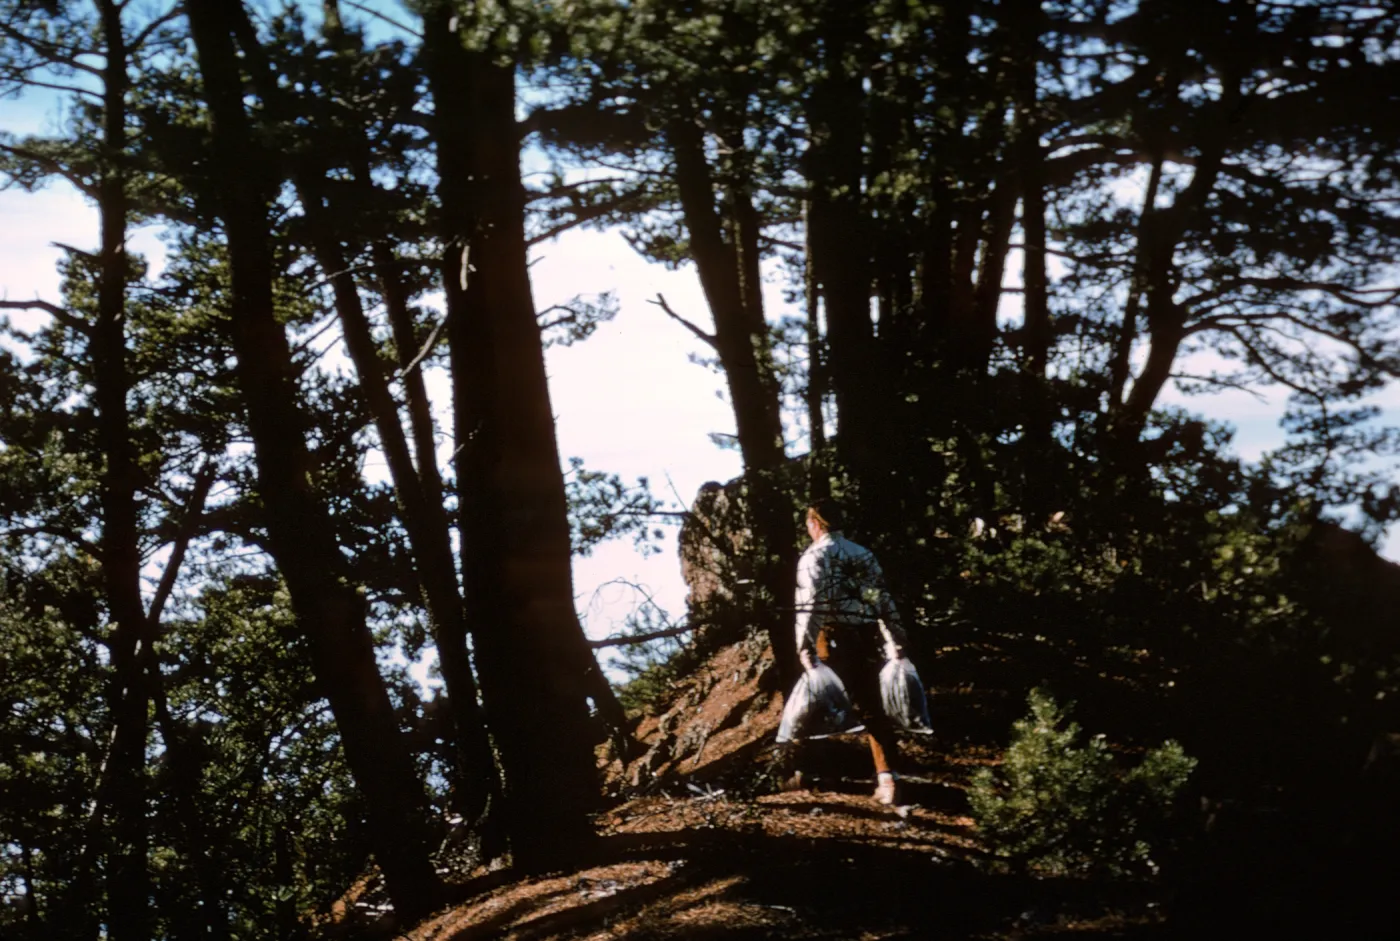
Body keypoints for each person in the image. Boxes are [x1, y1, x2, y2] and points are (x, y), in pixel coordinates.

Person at [789, 498, 908, 805]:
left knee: (819, 705)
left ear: (815, 524)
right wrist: (894, 635)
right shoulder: (862, 554)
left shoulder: (813, 557)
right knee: (872, 705)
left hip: (832, 637)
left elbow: (810, 604)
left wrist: (804, 645)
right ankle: (888, 777)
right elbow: (880, 597)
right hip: (866, 635)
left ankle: (816, 775)